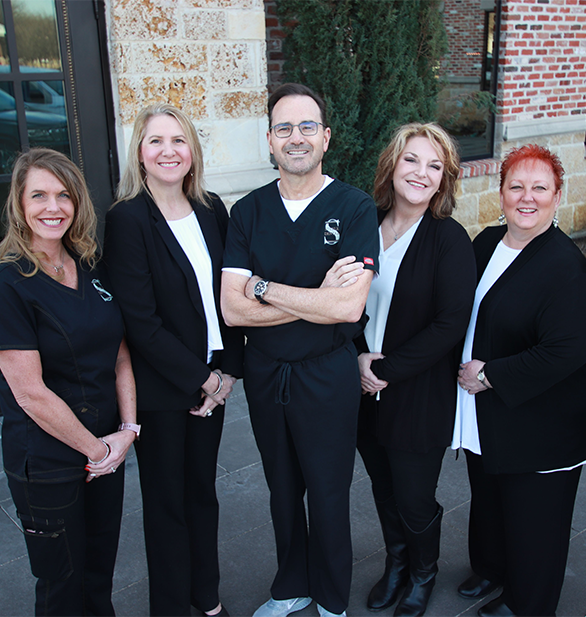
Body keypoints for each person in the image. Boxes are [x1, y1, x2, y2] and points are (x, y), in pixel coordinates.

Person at [221, 83, 379, 617]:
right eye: (284, 127)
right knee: (281, 488)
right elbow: (232, 310)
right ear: (269, 140)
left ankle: (332, 597)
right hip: (268, 375)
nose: (296, 137)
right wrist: (317, 295)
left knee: (329, 491)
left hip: (326, 374)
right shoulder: (247, 211)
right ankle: (292, 585)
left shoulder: (354, 207)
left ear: (326, 137)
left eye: (307, 126)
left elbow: (347, 311)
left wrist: (263, 286)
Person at [0, 148, 137, 617]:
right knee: (62, 583)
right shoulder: (4, 285)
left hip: (108, 446)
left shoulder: (88, 265)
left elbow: (120, 354)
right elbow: (30, 393)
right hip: (49, 459)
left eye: (64, 195)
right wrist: (98, 450)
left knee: (100, 572)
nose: (53, 207)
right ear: (19, 205)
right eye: (39, 195)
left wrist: (127, 430)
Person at [452, 144, 586, 617]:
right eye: (516, 185)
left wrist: (492, 374)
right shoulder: (486, 242)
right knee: (492, 496)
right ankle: (493, 568)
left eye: (540, 188)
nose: (527, 197)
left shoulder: (565, 266)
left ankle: (526, 602)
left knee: (535, 518)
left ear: (558, 197)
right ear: (500, 192)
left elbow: (568, 349)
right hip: (489, 412)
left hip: (544, 421)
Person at [103, 104, 243, 617]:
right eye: (156, 141)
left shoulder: (211, 209)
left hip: (214, 379)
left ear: (192, 152)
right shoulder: (127, 219)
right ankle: (169, 606)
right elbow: (140, 322)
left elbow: (230, 301)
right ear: (140, 153)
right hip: (164, 388)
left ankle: (206, 600)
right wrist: (202, 379)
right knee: (167, 507)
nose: (168, 151)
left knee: (202, 496)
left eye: (178, 141)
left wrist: (226, 372)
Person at [355, 123, 476, 617]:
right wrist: (356, 358)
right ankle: (397, 564)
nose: (421, 173)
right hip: (362, 388)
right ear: (392, 165)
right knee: (383, 489)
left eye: (434, 166)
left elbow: (450, 325)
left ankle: (424, 573)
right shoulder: (364, 224)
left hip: (416, 391)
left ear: (443, 179)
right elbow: (339, 304)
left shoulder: (449, 238)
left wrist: (387, 369)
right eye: (412, 160)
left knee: (414, 497)